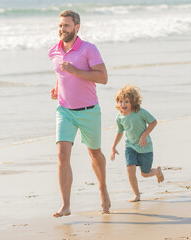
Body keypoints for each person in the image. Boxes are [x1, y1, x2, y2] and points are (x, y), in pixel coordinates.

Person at [48, 10, 111, 217]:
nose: (62, 29)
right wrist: (57, 87)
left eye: (66, 26)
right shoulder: (54, 51)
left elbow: (103, 77)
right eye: (60, 26)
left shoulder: (88, 49)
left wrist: (75, 71)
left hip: (88, 111)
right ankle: (66, 205)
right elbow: (61, 73)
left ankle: (102, 188)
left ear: (77, 27)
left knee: (94, 153)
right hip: (64, 111)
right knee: (62, 155)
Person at [110, 84, 164, 202]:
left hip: (145, 147)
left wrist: (144, 135)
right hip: (130, 147)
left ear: (133, 102)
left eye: (126, 101)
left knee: (144, 174)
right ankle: (136, 194)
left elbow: (153, 122)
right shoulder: (119, 117)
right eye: (120, 101)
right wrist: (113, 146)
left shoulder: (140, 112)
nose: (123, 104)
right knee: (130, 169)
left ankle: (157, 171)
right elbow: (119, 132)